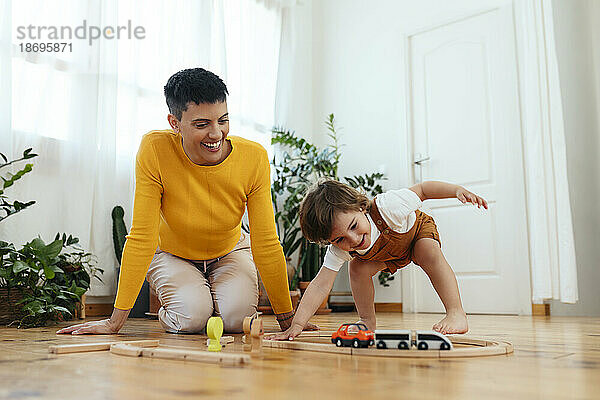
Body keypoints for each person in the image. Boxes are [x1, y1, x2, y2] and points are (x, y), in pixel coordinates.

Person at [58, 68, 310, 335]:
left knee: (236, 321)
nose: (216, 134)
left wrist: (287, 319)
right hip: (171, 253)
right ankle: (185, 306)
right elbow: (142, 236)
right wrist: (114, 322)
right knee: (191, 319)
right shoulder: (155, 150)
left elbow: (267, 242)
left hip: (230, 251)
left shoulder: (254, 158)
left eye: (223, 120)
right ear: (175, 123)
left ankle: (210, 300)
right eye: (202, 125)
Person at [270, 179, 488, 341]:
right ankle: (367, 322)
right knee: (357, 267)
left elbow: (423, 190)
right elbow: (320, 285)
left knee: (427, 250)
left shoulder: (388, 206)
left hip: (415, 233)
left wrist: (457, 191)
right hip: (389, 256)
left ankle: (456, 313)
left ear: (360, 207)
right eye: (339, 239)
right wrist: (297, 323)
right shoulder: (339, 248)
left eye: (354, 226)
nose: (353, 240)